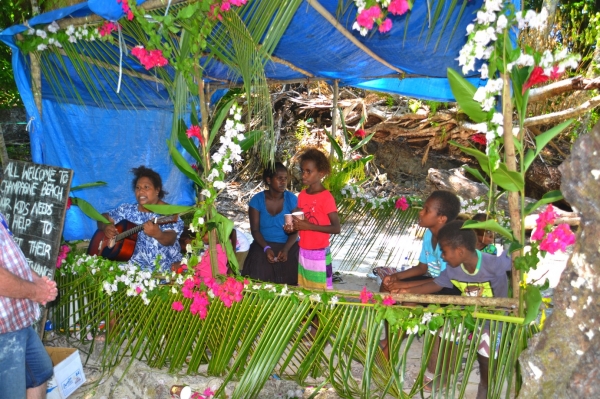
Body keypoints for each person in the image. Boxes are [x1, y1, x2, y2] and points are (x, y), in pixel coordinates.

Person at [395, 220, 512, 398]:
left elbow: (512, 256)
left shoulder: (492, 265)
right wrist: (406, 292)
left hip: (493, 319)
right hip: (466, 316)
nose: (442, 256)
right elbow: (435, 284)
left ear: (460, 251)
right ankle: (445, 376)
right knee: (446, 333)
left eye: (444, 251)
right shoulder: (452, 270)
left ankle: (485, 385)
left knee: (485, 353)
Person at [1, 211, 58, 399]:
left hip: (17, 321)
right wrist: (35, 291)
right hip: (4, 328)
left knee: (39, 371)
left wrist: (37, 282)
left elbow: (11, 259)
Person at [97, 166, 184, 272]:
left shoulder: (168, 213)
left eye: (146, 187)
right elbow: (102, 217)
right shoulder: (127, 210)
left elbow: (171, 238)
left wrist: (158, 234)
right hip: (133, 271)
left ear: (157, 190)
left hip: (163, 269)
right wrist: (105, 226)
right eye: (138, 188)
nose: (141, 191)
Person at [381, 190, 462, 294]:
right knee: (387, 286)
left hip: (450, 287)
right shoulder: (429, 234)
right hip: (433, 281)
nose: (421, 212)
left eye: (427, 210)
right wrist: (395, 277)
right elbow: (422, 268)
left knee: (408, 295)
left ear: (441, 219)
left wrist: (405, 285)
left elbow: (444, 280)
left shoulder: (451, 242)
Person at [286, 149, 340, 289]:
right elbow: (300, 223)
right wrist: (291, 227)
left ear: (321, 173)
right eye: (302, 170)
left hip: (320, 252)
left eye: (309, 171)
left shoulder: (326, 197)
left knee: (321, 292)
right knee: (305, 289)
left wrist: (309, 226)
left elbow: (336, 228)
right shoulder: (302, 195)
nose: (304, 174)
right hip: (303, 250)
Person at [244, 162, 299, 285]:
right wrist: (266, 248)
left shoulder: (291, 199)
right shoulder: (257, 200)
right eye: (279, 178)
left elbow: (296, 229)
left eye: (285, 178)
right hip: (263, 244)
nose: (283, 182)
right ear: (268, 180)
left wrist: (285, 249)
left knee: (291, 278)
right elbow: (255, 230)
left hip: (288, 244)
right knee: (258, 274)